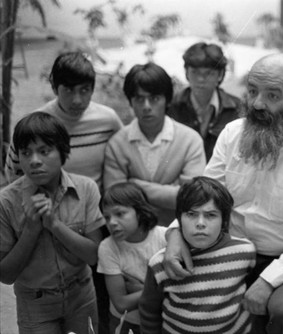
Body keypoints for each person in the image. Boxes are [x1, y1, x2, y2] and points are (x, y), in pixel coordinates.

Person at [163, 53, 283, 334]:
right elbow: (202, 195)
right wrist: (175, 234)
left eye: (273, 95)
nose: (258, 103)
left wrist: (269, 280)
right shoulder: (232, 134)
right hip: (229, 251)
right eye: (252, 91)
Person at [0, 112, 104, 334]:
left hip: (82, 296)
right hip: (35, 304)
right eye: (26, 153)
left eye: (44, 151)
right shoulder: (6, 202)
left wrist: (55, 225)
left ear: (62, 152)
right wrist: (31, 230)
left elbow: (95, 256)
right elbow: (5, 275)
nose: (34, 160)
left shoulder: (85, 189)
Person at [139, 176, 256, 334]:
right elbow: (149, 314)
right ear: (179, 218)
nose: (200, 223)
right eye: (191, 214)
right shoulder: (160, 264)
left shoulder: (244, 252)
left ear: (224, 221)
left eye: (210, 215)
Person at [104, 62, 206, 226]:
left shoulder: (190, 140)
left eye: (154, 98)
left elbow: (193, 198)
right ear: (130, 101)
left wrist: (134, 185)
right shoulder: (117, 144)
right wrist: (171, 191)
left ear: (167, 100)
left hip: (179, 233)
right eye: (139, 99)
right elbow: (115, 200)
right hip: (133, 237)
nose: (146, 106)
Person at [4, 51, 123, 192]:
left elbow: (123, 161)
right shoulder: (33, 125)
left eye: (84, 90)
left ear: (92, 89)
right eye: (68, 90)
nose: (77, 100)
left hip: (96, 208)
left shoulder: (108, 121)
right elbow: (14, 173)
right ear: (54, 88)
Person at [97, 182, 167, 334]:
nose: (112, 222)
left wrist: (143, 289)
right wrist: (162, 288)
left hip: (162, 319)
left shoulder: (164, 237)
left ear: (140, 211)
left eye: (120, 214)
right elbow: (121, 303)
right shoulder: (107, 247)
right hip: (127, 322)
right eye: (107, 217)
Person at [167, 42, 241, 161]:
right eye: (195, 72)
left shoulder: (237, 108)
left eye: (208, 73)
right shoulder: (172, 106)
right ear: (186, 73)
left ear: (220, 75)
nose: (200, 79)